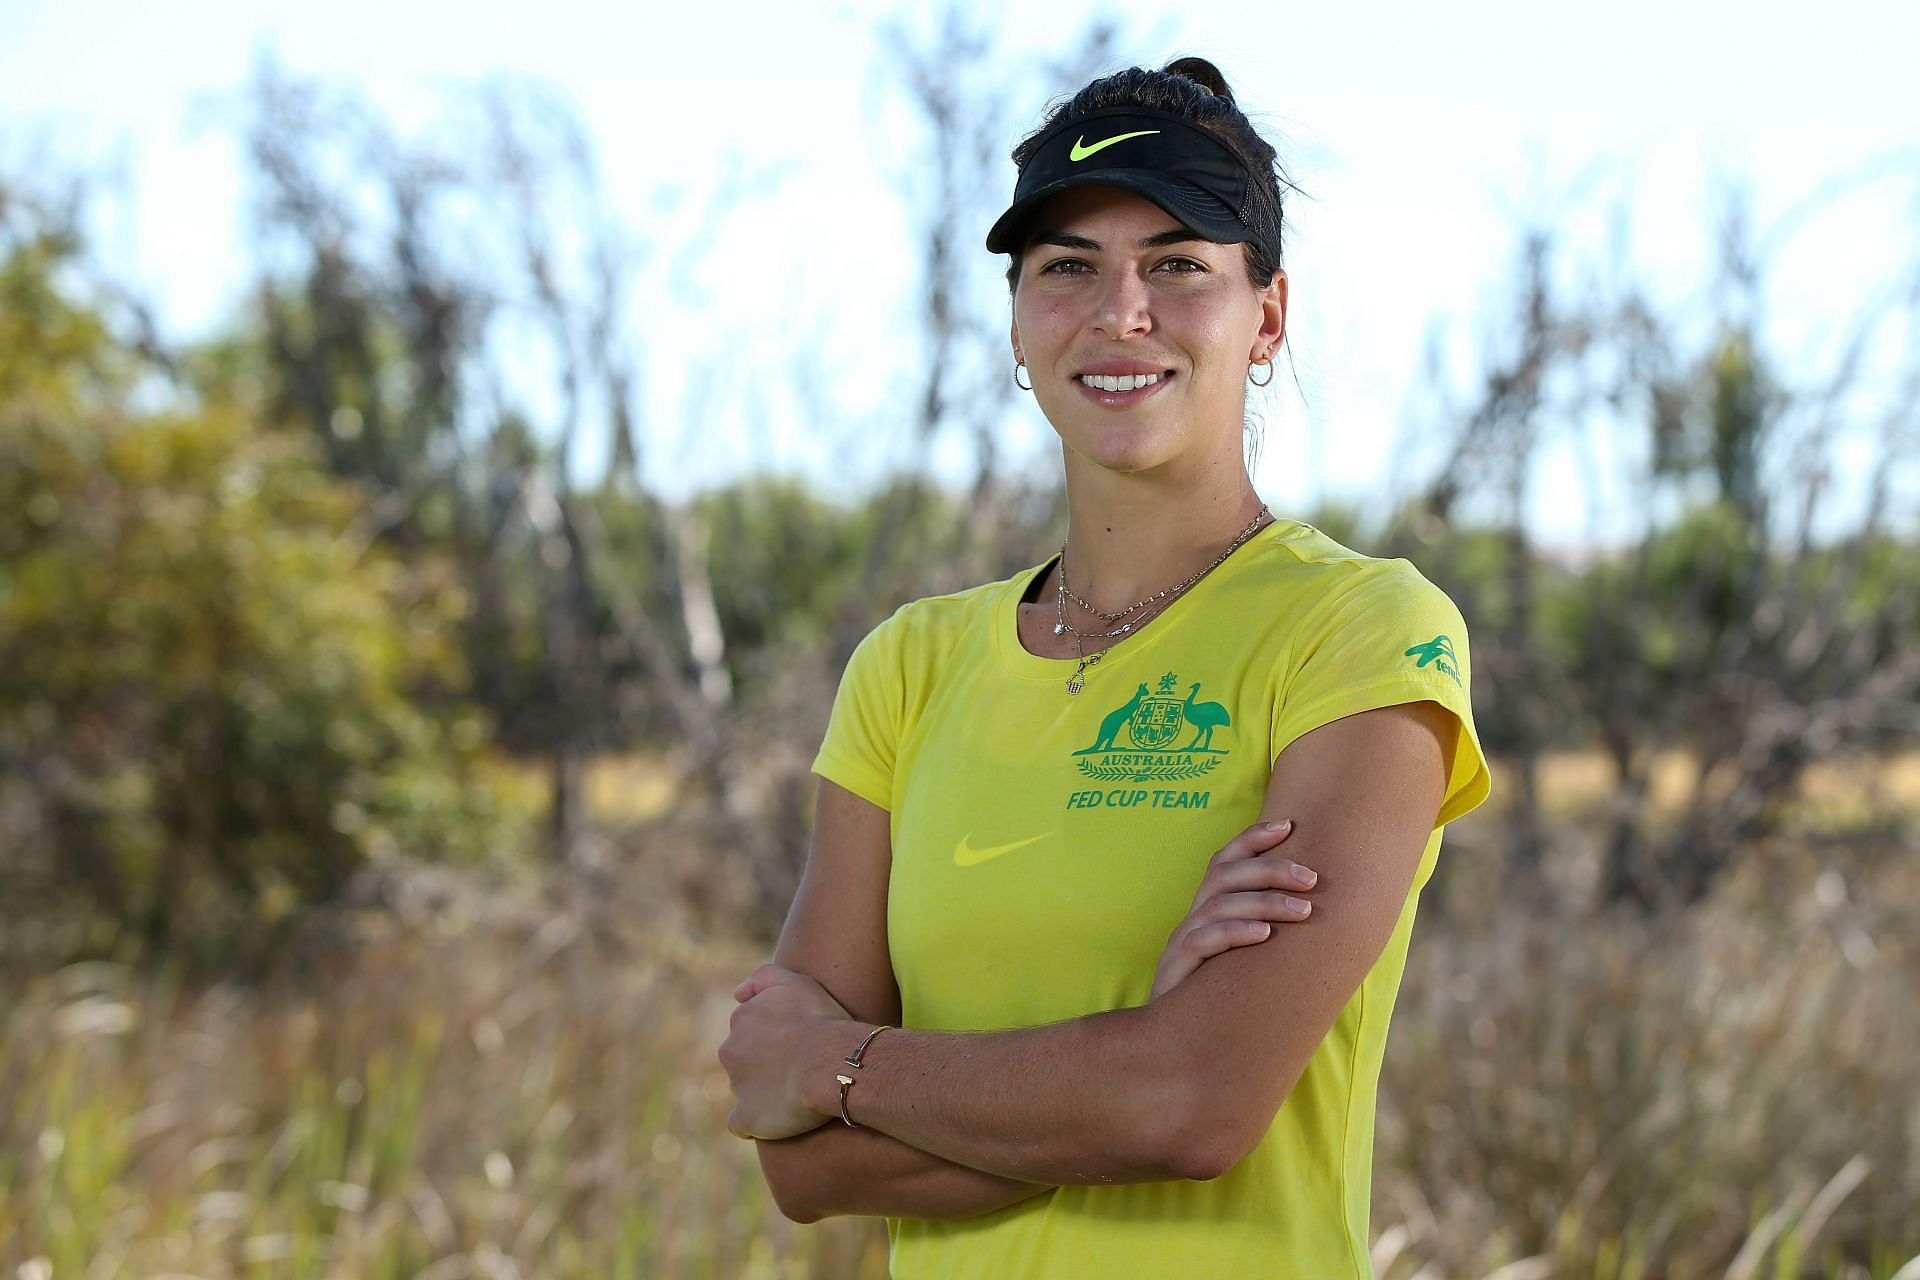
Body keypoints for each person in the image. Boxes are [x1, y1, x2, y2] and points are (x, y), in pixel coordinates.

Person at [718, 57, 1493, 1279]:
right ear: (1019, 321)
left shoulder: (1361, 632)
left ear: (1268, 315)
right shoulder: (907, 670)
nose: (1119, 310)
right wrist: (1131, 1066)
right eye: (1068, 265)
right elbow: (803, 1165)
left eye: (1179, 264)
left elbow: (1193, 1106)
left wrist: (839, 1061)